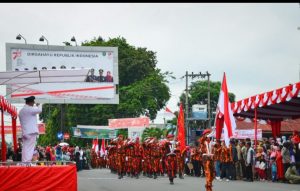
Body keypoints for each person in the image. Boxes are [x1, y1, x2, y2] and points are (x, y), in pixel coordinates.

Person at [18, 96, 42, 163]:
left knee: (26, 148)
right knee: (30, 148)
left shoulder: (21, 111)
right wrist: (39, 104)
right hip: (31, 132)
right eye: (33, 102)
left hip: (25, 132)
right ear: (31, 102)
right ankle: (27, 163)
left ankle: (24, 162)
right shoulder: (29, 109)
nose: (34, 103)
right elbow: (40, 110)